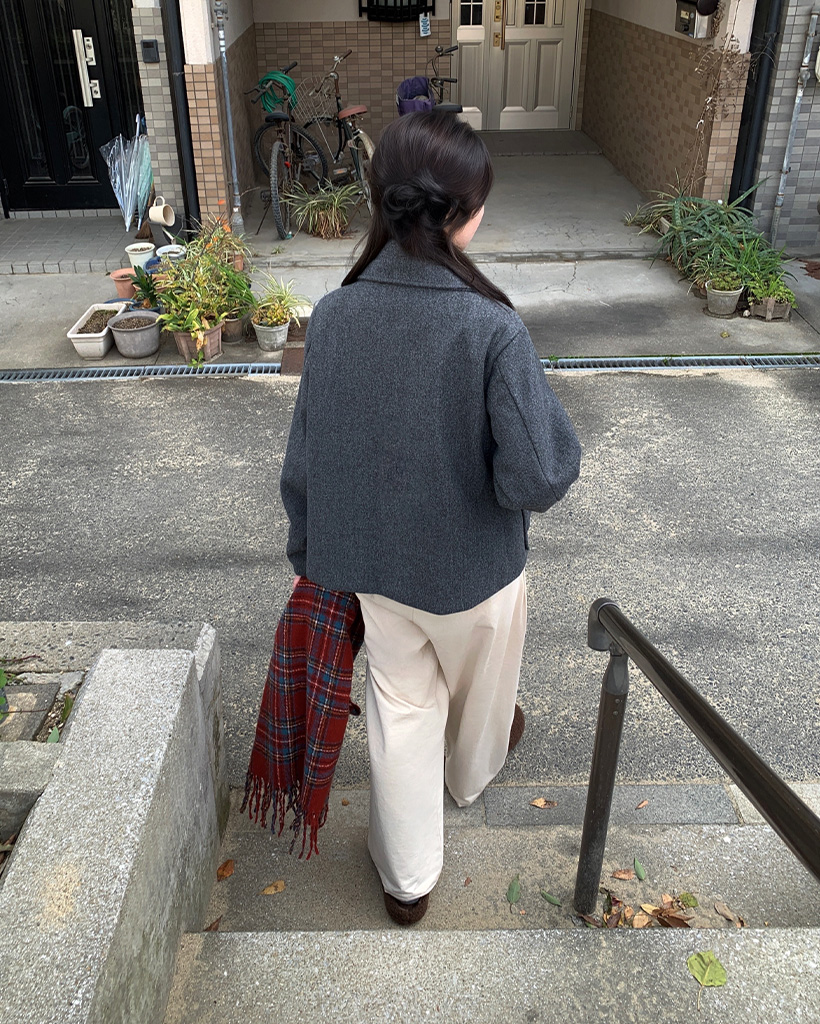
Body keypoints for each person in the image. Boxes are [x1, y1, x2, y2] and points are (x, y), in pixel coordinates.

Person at [280, 111, 581, 925]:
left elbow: (306, 457)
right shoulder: (491, 324)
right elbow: (537, 476)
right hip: (477, 570)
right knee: (483, 698)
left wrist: (311, 553)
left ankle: (407, 882)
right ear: (463, 213)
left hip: (374, 568)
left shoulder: (334, 314)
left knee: (400, 711)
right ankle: (470, 780)